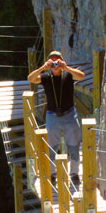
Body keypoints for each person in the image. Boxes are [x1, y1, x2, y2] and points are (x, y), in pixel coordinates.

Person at [28, 51, 85, 186]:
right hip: (52, 116)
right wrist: (43, 68)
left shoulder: (68, 75)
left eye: (57, 61)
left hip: (69, 114)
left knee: (74, 145)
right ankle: (52, 175)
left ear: (62, 61)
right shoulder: (46, 77)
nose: (55, 64)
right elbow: (31, 79)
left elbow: (81, 76)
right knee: (51, 147)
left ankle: (74, 174)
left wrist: (66, 68)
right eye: (52, 61)